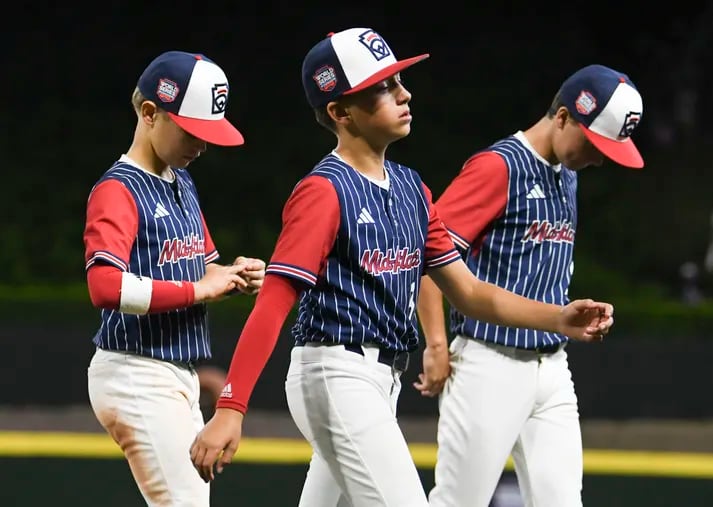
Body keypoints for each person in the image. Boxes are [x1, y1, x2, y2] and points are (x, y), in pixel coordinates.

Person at [189, 30, 613, 507]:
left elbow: (471, 293)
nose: (404, 93)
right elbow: (273, 305)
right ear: (340, 112)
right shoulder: (323, 191)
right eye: (383, 87)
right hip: (336, 372)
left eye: (398, 80)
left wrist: (557, 318)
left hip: (380, 380)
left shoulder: (412, 189)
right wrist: (231, 405)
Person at [414, 64, 644, 507]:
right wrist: (437, 345)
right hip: (487, 361)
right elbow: (431, 258)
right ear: (562, 117)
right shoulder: (498, 167)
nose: (598, 158)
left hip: (553, 368)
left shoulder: (567, 172)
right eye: (593, 143)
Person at [83, 50, 266, 507]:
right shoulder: (117, 189)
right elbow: (105, 287)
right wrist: (200, 289)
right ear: (150, 113)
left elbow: (202, 267)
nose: (201, 145)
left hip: (172, 371)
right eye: (192, 131)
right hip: (133, 370)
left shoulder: (180, 180)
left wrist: (232, 274)